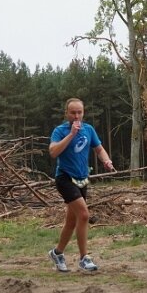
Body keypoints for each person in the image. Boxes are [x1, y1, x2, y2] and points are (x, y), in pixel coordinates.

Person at [48, 98, 114, 273]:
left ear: (83, 112)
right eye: (73, 113)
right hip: (65, 178)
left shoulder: (89, 129)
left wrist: (106, 160)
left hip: (82, 179)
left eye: (79, 112)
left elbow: (99, 149)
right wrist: (71, 135)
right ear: (66, 114)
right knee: (84, 215)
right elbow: (53, 152)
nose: (77, 116)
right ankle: (84, 258)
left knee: (71, 221)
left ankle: (57, 253)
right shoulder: (60, 131)